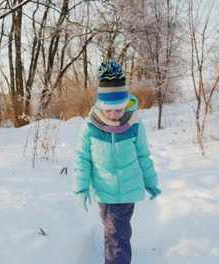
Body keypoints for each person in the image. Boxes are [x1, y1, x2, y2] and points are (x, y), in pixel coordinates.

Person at [73, 60, 161, 264]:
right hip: (103, 191)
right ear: (101, 106)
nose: (113, 115)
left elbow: (143, 156)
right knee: (111, 228)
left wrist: (151, 182)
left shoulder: (134, 126)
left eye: (119, 110)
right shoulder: (90, 128)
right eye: (109, 110)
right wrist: (80, 188)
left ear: (126, 104)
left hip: (126, 192)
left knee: (116, 236)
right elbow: (82, 159)